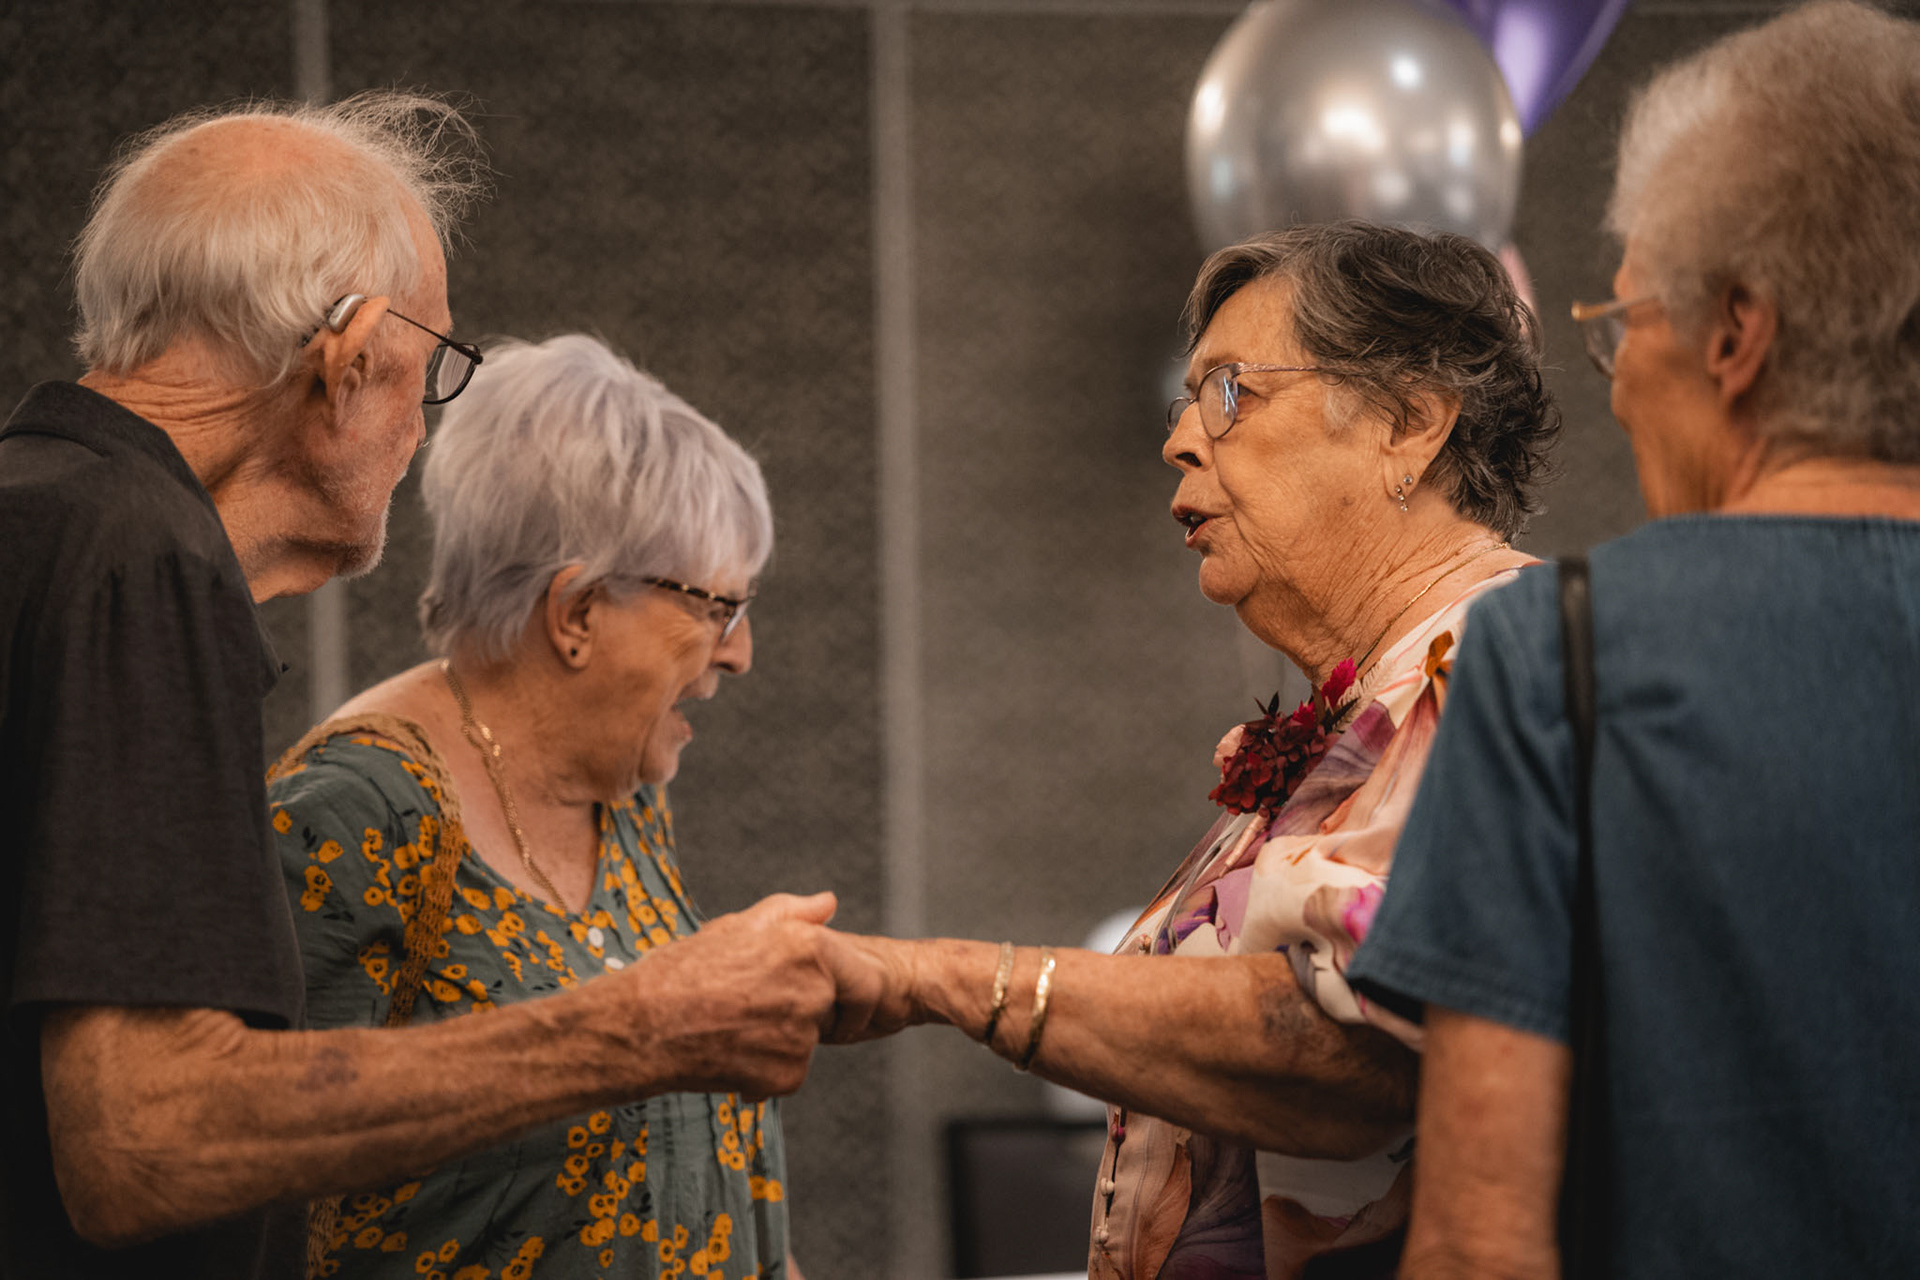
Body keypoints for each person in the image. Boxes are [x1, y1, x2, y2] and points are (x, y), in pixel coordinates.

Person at [0, 96, 839, 1280]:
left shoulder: (44, 512)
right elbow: (142, 1141)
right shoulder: (141, 557)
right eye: (435, 363)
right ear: (350, 357)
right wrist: (646, 1023)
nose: (425, 423)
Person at [822, 222, 1558, 1278]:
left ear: (1408, 422)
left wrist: (940, 979)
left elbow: (1357, 1048)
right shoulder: (1383, 688)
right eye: (1186, 400)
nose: (1178, 440)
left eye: (1229, 392)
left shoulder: (1494, 663)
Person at [1343, 4, 1920, 1275]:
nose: (1614, 385)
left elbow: (1481, 1244)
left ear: (1735, 334)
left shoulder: (1560, 652)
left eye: (1624, 324)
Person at [267, 334, 803, 1279]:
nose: (740, 653)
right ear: (577, 612)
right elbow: (266, 1190)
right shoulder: (350, 818)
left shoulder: (621, 791)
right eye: (717, 609)